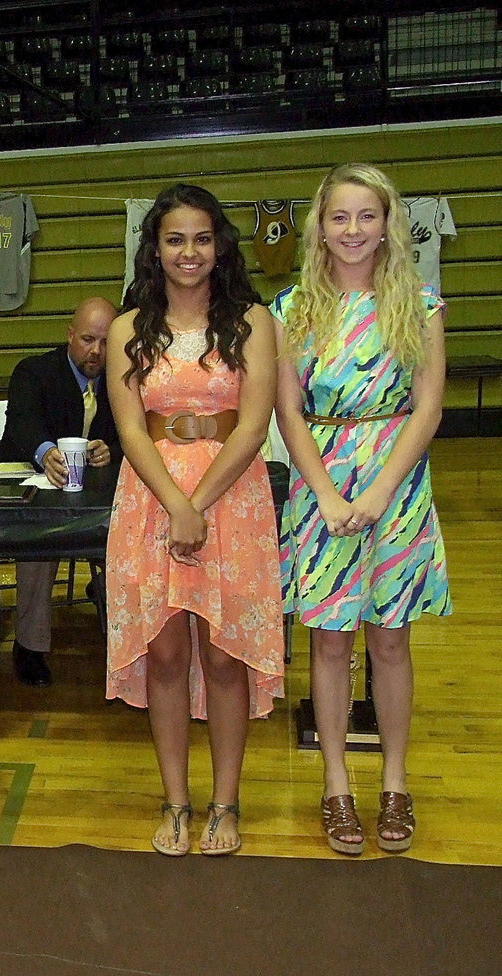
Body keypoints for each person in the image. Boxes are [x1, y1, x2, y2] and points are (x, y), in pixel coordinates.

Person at [273, 163, 451, 856]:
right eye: (340, 216)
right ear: (320, 226)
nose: (352, 230)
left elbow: (428, 407)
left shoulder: (421, 304)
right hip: (321, 482)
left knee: (391, 637)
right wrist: (325, 491)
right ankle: (336, 783)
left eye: (366, 216)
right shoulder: (293, 308)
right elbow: (289, 411)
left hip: (397, 484)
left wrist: (379, 492)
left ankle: (395, 782)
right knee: (328, 640)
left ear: (387, 224)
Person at [105, 184, 284, 856]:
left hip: (232, 499)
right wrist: (176, 505)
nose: (189, 252)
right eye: (175, 239)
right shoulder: (127, 329)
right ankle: (175, 801)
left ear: (220, 246)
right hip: (150, 497)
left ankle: (225, 803)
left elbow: (253, 426)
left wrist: (199, 502)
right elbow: (131, 429)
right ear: (154, 248)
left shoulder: (253, 322)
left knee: (224, 652)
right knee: (165, 651)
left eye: (202, 239)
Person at [0, 296, 122, 686]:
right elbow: (21, 421)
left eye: (106, 342)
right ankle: (29, 646)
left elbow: (135, 431)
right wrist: (45, 451)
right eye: (87, 340)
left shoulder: (123, 378)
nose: (96, 351)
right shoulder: (34, 371)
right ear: (69, 335)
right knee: (39, 541)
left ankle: (125, 636)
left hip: (95, 493)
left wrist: (112, 450)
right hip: (29, 484)